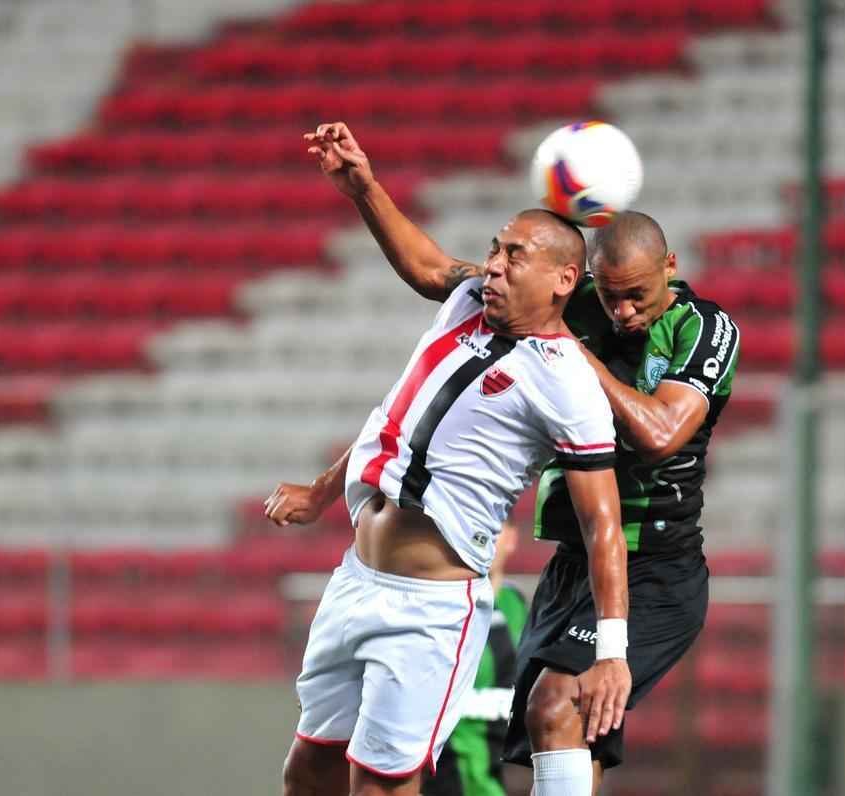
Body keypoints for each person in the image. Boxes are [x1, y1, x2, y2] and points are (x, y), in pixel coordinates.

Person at [306, 124, 740, 796]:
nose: (622, 313)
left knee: (555, 708)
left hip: (654, 560)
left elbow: (659, 433)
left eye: (638, 298)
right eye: (610, 294)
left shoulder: (702, 327)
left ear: (671, 267)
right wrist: (364, 187)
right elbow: (432, 272)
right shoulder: (565, 304)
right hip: (573, 565)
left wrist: (570, 345)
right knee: (558, 728)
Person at [263, 124, 631, 796]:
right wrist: (364, 189)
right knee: (308, 772)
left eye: (514, 256)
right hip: (355, 582)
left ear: (562, 280)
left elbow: (602, 521)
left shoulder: (567, 381)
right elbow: (397, 411)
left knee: (379, 785)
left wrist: (613, 651)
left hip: (428, 609)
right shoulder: (466, 303)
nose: (492, 264)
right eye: (494, 249)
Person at [422, 522, 529, 796]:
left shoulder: (516, 602)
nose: (488, 536)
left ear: (513, 537)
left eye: (498, 526)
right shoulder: (431, 606)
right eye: (479, 524)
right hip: (435, 778)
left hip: (492, 778)